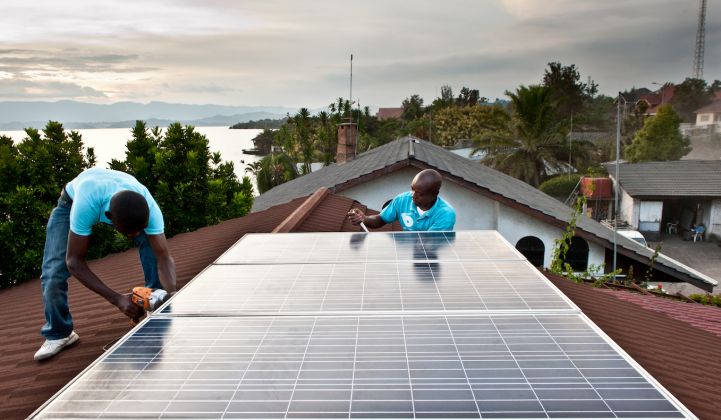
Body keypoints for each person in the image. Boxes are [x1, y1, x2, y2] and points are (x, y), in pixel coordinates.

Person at [35, 168, 176, 361]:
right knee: (53, 272)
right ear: (109, 217)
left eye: (139, 229)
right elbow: (74, 261)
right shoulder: (86, 205)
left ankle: (155, 303)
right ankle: (60, 333)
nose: (134, 236)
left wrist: (172, 294)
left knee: (152, 248)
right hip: (71, 202)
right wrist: (117, 299)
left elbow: (163, 256)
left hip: (121, 200)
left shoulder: (149, 208)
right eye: (129, 232)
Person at [347, 169, 456, 231]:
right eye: (412, 189)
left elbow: (427, 244)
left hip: (432, 257)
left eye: (419, 193)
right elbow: (380, 219)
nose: (413, 195)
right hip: (409, 255)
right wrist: (364, 218)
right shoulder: (402, 200)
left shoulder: (445, 214)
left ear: (434, 194)